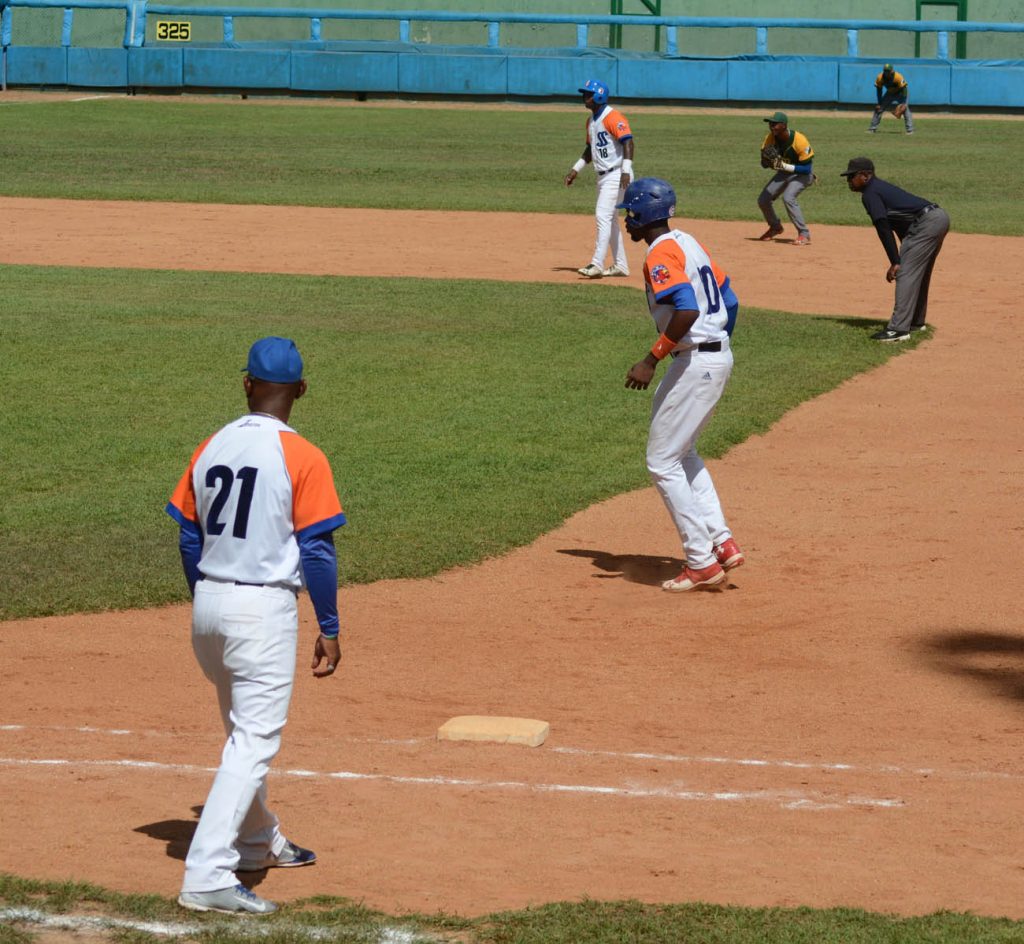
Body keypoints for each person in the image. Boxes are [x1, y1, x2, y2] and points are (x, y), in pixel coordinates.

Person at [166, 336, 347, 915]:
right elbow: (316, 550)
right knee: (253, 743)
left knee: (241, 733)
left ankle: (256, 842)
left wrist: (208, 599)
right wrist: (330, 623)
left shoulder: (211, 444)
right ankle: (207, 875)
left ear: (246, 383)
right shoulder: (303, 455)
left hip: (209, 607)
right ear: (301, 389)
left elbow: (188, 535)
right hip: (261, 612)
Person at [617, 177, 744, 592]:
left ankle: (701, 560)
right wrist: (717, 342)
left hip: (694, 361)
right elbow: (730, 299)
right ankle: (721, 542)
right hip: (713, 355)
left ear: (642, 217)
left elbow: (687, 309)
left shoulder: (659, 253)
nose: (627, 223)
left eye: (629, 216)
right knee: (682, 453)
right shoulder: (688, 241)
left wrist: (650, 359)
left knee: (662, 462)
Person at [840, 156, 949, 341]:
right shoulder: (878, 189)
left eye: (852, 176)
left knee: (905, 273)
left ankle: (898, 329)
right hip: (937, 218)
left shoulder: (870, 193)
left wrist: (895, 262)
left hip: (927, 223)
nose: (849, 181)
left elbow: (883, 226)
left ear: (866, 176)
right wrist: (900, 257)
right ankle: (916, 321)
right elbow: (900, 225)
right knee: (918, 272)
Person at [564, 78, 634, 279]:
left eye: (588, 94)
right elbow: (590, 149)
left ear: (599, 95)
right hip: (603, 177)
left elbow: (628, 142)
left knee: (603, 216)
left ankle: (596, 264)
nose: (584, 97)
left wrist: (626, 171)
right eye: (584, 94)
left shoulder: (613, 117)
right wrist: (575, 169)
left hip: (617, 174)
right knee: (610, 221)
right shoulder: (591, 121)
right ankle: (621, 265)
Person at [756, 111, 815, 246]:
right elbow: (764, 164)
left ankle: (804, 234)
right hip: (784, 173)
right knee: (763, 200)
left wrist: (784, 166)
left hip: (803, 175)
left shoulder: (799, 140)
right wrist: (767, 162)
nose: (772, 127)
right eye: (770, 124)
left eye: (775, 124)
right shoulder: (769, 138)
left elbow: (807, 169)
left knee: (788, 197)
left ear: (783, 125)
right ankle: (775, 227)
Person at [868, 64, 914, 135]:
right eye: (885, 71)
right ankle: (872, 129)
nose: (886, 73)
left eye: (888, 71)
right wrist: (879, 103)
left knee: (905, 109)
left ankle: (910, 130)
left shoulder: (898, 77)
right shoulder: (880, 77)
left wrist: (904, 103)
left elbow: (904, 89)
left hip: (901, 93)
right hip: (889, 93)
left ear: (892, 71)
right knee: (879, 109)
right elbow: (879, 90)